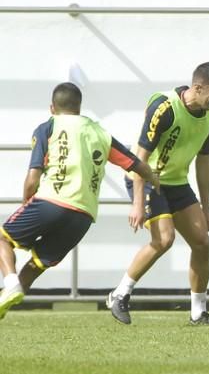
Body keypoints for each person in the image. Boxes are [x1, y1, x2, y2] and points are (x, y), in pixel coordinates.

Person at [0, 82, 159, 319]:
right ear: (79, 107)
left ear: (52, 107)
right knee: (36, 264)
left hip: (51, 201)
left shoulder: (48, 127)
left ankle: (10, 281)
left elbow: (33, 176)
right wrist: (155, 180)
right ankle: (6, 300)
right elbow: (136, 165)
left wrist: (26, 202)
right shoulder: (101, 134)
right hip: (83, 216)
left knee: (2, 238)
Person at [106, 61, 209, 326]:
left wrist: (206, 206)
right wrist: (138, 202)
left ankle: (198, 313)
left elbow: (204, 160)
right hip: (147, 177)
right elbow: (140, 157)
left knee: (202, 243)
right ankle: (119, 294)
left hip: (177, 183)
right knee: (164, 239)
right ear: (197, 88)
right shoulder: (164, 108)